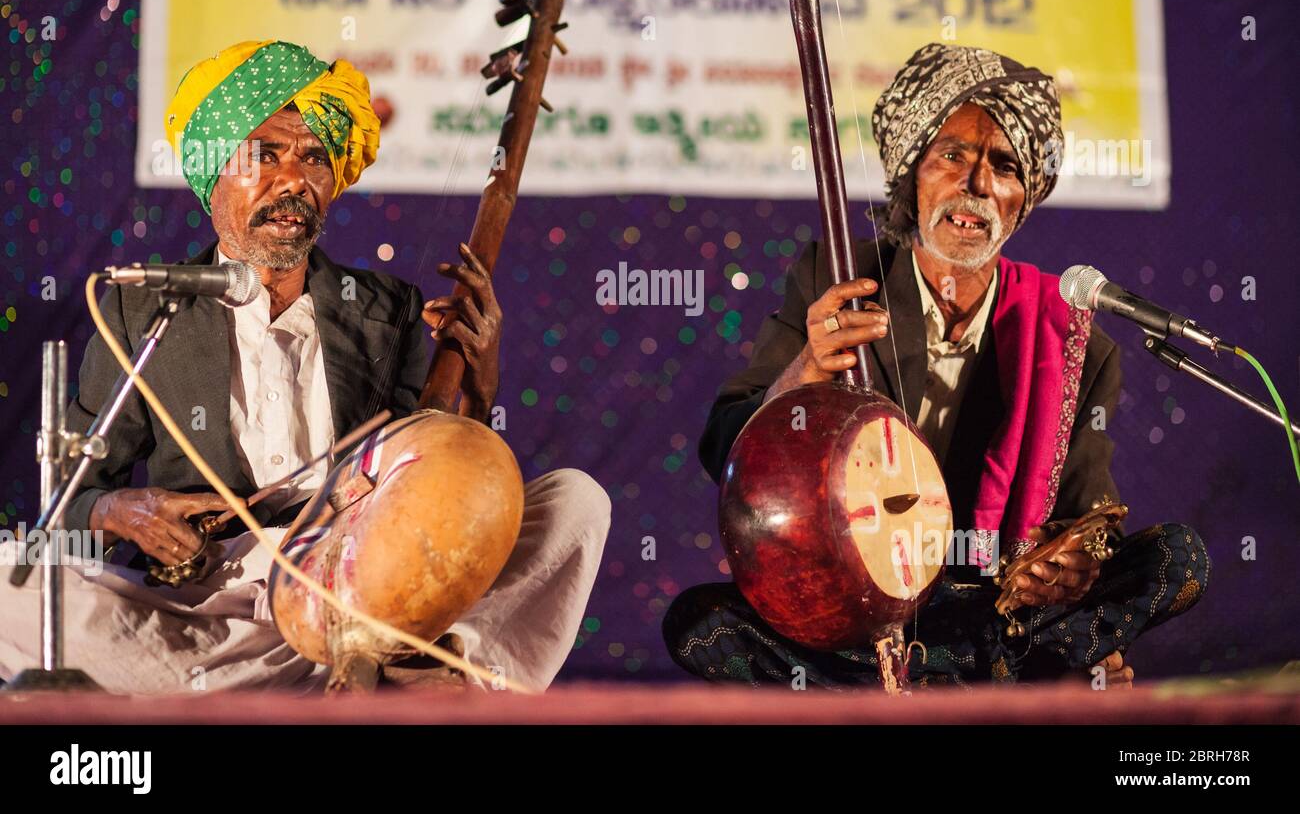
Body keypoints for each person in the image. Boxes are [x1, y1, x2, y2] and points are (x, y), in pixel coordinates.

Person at [0, 40, 610, 693]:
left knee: (576, 501)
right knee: (13, 575)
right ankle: (301, 690)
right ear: (214, 173)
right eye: (264, 153)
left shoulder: (385, 309)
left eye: (314, 157)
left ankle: (443, 669)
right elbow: (67, 499)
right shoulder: (145, 309)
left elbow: (433, 482)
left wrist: (481, 380)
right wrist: (121, 510)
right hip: (207, 616)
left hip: (360, 596)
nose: (293, 179)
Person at [664, 44, 1209, 689]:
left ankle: (927, 683)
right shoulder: (838, 278)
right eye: (953, 155)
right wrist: (805, 372)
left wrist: (1077, 561)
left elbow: (1089, 517)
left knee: (1178, 558)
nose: (976, 184)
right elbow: (724, 444)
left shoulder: (1073, 341)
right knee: (701, 623)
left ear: (1023, 198)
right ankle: (997, 681)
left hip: (987, 601)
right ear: (912, 172)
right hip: (859, 606)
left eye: (1004, 166)